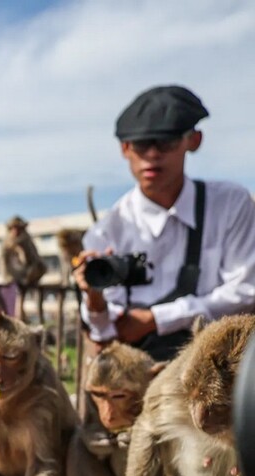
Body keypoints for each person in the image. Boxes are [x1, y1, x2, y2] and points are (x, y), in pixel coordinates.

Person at [74, 85, 255, 361]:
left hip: (217, 363)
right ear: (125, 148)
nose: (152, 154)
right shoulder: (107, 231)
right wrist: (94, 299)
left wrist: (155, 318)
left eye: (166, 142)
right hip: (136, 368)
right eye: (141, 144)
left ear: (193, 140)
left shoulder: (230, 204)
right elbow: (103, 331)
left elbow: (245, 293)